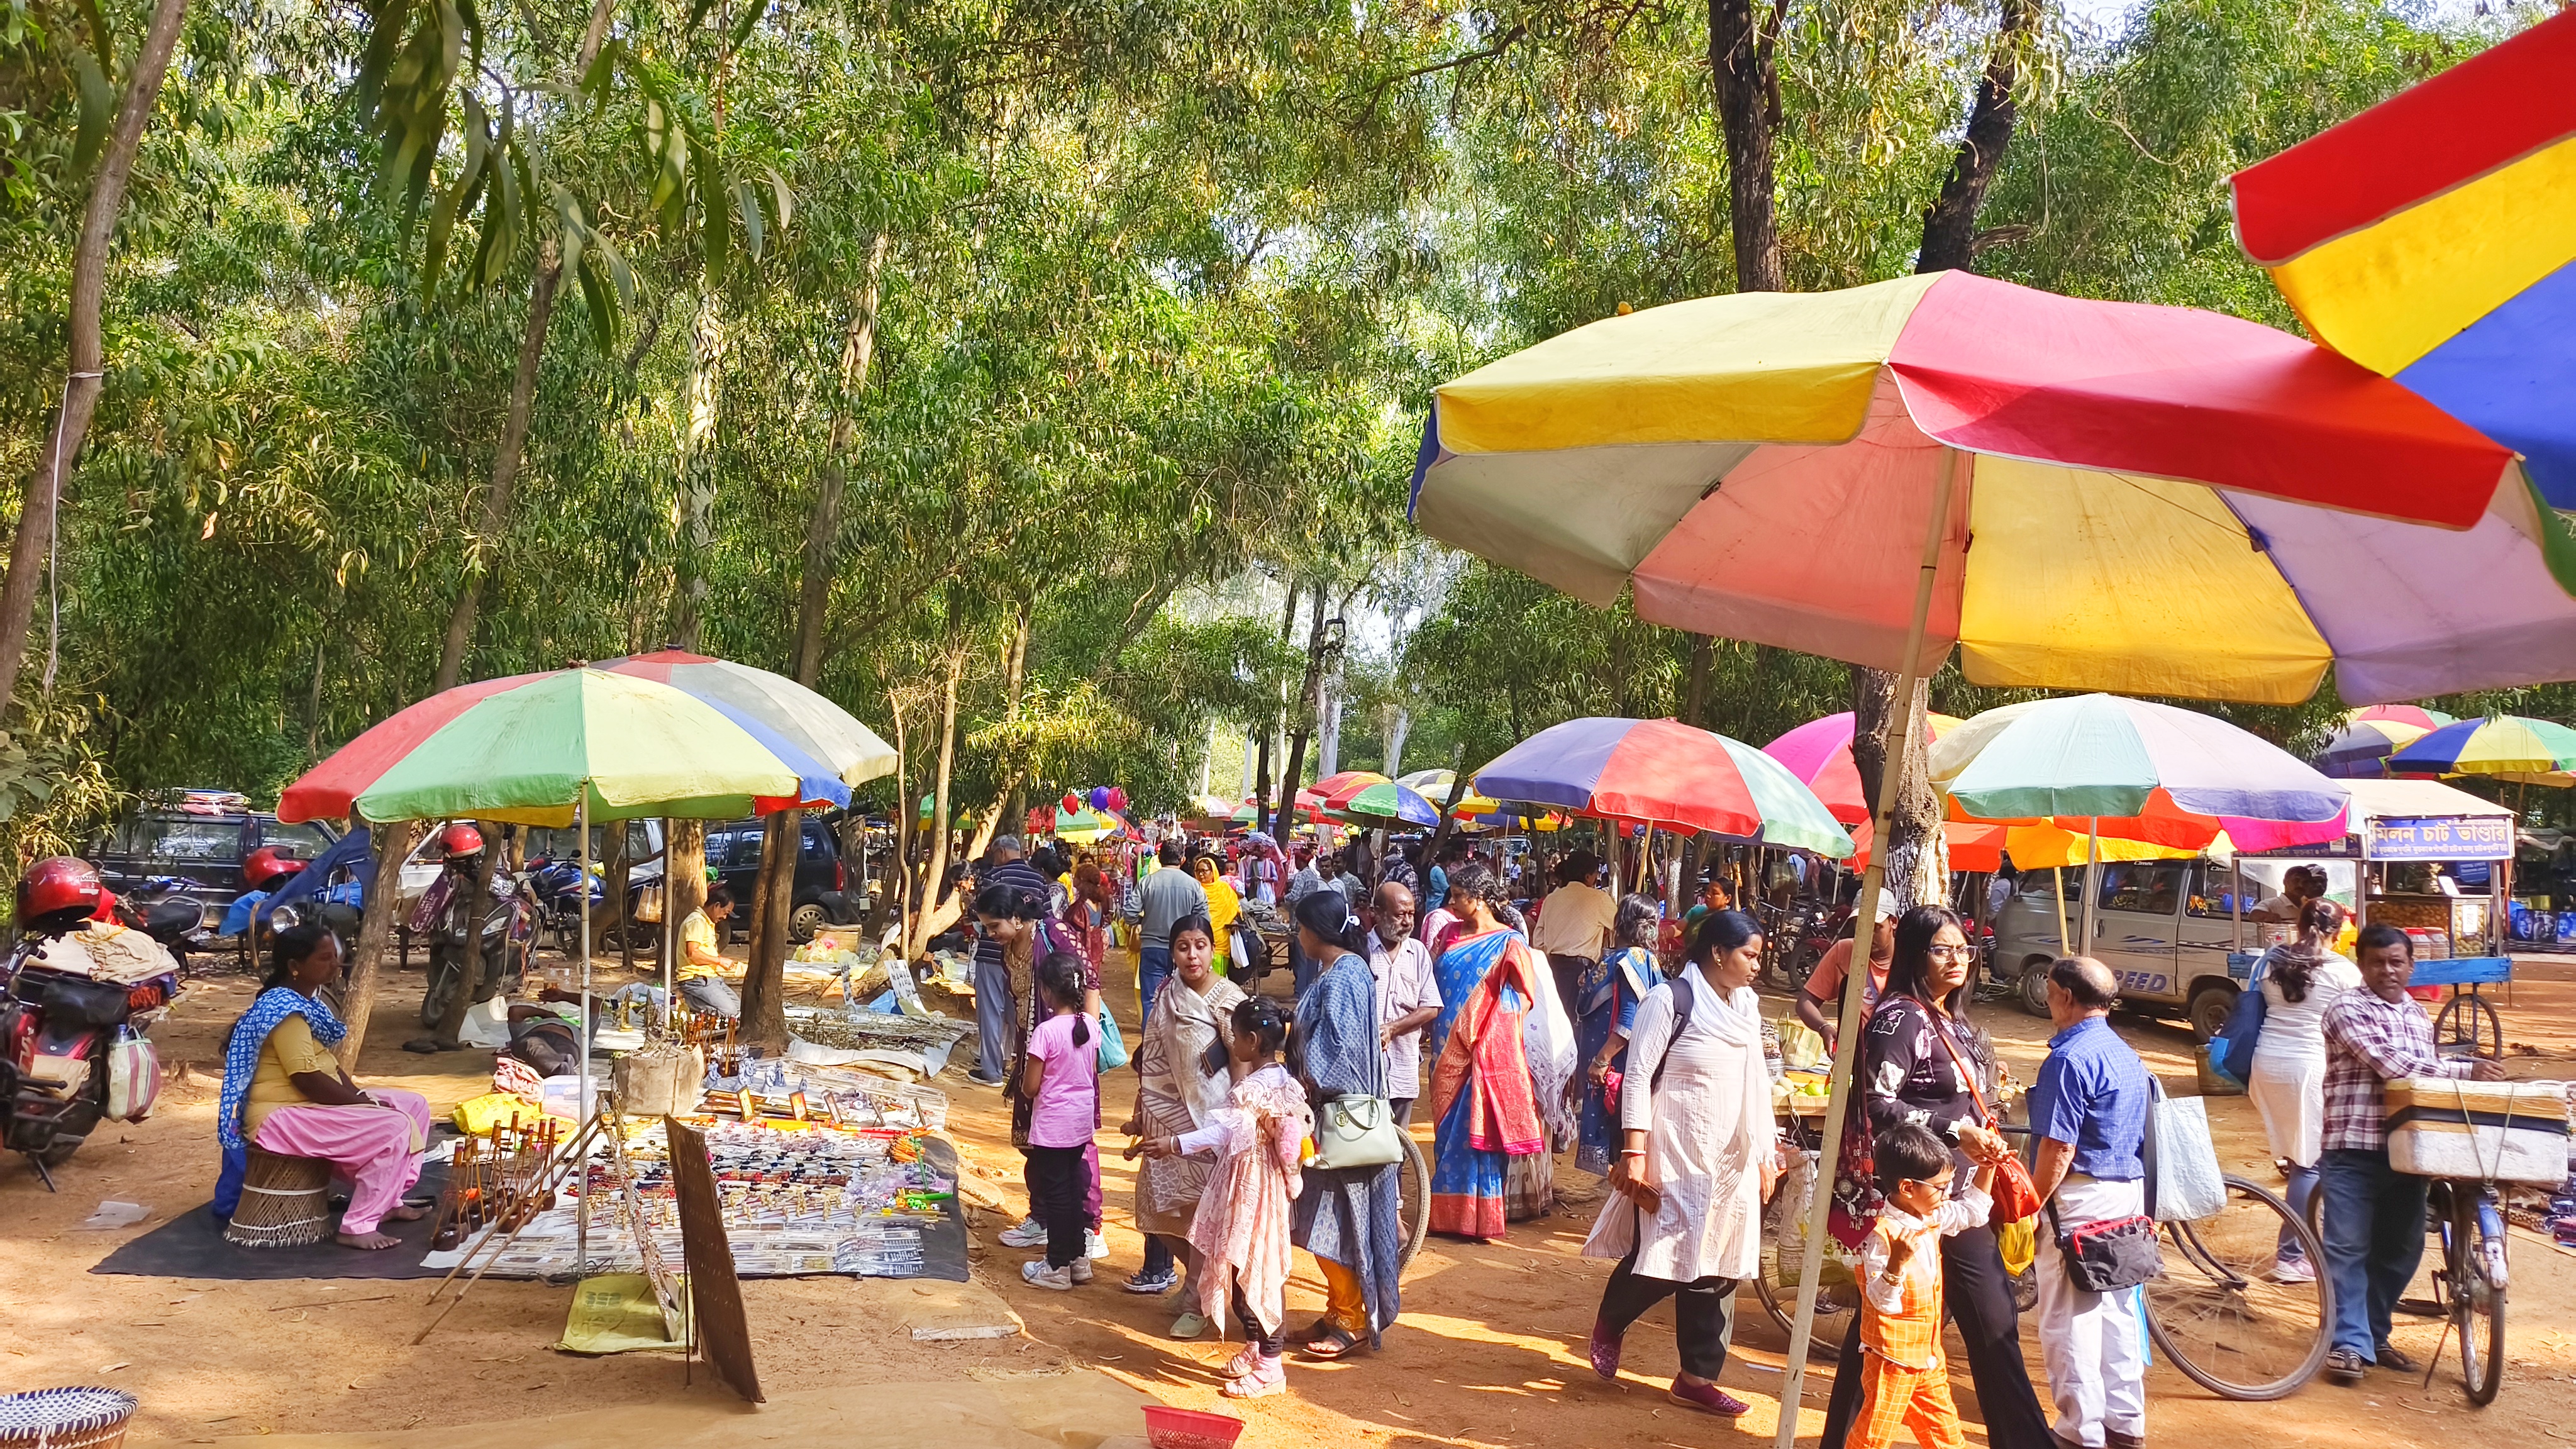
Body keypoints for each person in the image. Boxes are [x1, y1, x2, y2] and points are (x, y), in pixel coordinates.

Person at [1819, 904, 2053, 1449]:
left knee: (1910, 1327)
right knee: (1968, 1323)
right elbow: (1877, 1104)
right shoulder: (1900, 1018)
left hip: (1959, 1191)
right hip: (1911, 1195)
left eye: (1964, 949)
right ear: (1915, 955)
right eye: (1942, 949)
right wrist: (1956, 1130)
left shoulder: (1953, 1020)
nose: (1958, 960)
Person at [1582, 909, 1784, 1417]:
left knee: (1720, 1263)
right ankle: (1612, 1319)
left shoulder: (1747, 1007)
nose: (1758, 966)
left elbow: (1755, 1079)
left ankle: (1696, 1378)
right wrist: (1633, 1152)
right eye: (1750, 955)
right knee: (1670, 1248)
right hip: (1676, 1146)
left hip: (1732, 1157)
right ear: (1718, 952)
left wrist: (1765, 1151)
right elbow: (1636, 1078)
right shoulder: (1669, 1001)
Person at [2318, 923, 2507, 1385]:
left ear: (2411, 966)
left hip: (2409, 1152)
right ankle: (2348, 1345)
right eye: (2377, 962)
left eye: (2396, 962)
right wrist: (2464, 1069)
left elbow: (2425, 1077)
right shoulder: (2346, 1008)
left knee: (2401, 1250)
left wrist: (2466, 1076)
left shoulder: (2416, 1014)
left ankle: (2373, 1334)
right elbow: (2392, 1067)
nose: (2388, 970)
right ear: (2361, 965)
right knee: (2348, 1249)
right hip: (2353, 1148)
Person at [216, 924, 436, 1250]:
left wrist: (360, 1097)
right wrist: (360, 1105)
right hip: (280, 1118)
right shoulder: (285, 1012)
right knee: (394, 1127)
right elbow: (306, 1079)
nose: (336, 965)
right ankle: (357, 1226)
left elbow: (328, 1068)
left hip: (305, 1105)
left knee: (413, 1105)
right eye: (324, 959)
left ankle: (389, 1200)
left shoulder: (305, 1004)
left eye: (335, 957)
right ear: (295, 966)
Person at [1143, 996, 1313, 1401]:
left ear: (1252, 1041)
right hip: (1265, 1188)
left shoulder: (1250, 1091)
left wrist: (1175, 1143)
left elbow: (1223, 1135)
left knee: (1256, 1272)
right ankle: (1256, 1348)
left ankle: (1272, 1366)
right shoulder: (1287, 1083)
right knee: (1250, 1267)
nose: (1231, 1044)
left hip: (1248, 1189)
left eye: (1235, 1037)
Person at [2026, 956, 2153, 1449]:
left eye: (2051, 991)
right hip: (2127, 1195)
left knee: (2070, 1321)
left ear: (2066, 998)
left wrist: (2032, 1203)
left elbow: (2058, 1149)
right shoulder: (2126, 1054)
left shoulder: (2068, 1059)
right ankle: (2126, 1425)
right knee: (2119, 1315)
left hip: (2080, 1200)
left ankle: (2079, 1432)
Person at [1289, 888, 1406, 1358]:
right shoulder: (1345, 971)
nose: (1298, 937)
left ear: (1316, 931)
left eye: (1300, 928)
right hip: (1338, 1115)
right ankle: (1340, 1309)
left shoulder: (1342, 977)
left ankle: (1354, 1317)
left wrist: (1300, 1071)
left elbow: (1337, 1052)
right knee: (1325, 1218)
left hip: (1344, 1120)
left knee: (1335, 1221)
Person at [1120, 913, 1246, 1325]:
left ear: (1213, 950)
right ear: (1172, 952)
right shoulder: (1166, 993)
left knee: (1203, 1215)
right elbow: (1153, 1058)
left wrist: (1236, 1114)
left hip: (1211, 1125)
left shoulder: (1229, 999)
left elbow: (1243, 1059)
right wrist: (1142, 1111)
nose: (1192, 955)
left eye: (1200, 945)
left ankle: (1197, 1300)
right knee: (1163, 1212)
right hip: (1165, 1121)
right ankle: (1194, 1283)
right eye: (1183, 946)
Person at [1424, 860, 1552, 1241]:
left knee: (1480, 1130)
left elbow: (1525, 998)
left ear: (1480, 900)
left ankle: (1480, 1219)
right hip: (1445, 1050)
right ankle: (1448, 1215)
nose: (1452, 902)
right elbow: (1433, 985)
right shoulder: (1447, 933)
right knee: (1447, 1132)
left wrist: (1490, 1030)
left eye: (1459, 896)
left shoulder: (1510, 941)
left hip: (1483, 1050)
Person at [1850, 1122, 1996, 1449]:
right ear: (1907, 1188)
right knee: (1873, 1438)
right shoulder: (1880, 1235)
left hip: (1928, 1356)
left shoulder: (1930, 1216)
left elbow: (1972, 1212)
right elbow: (1880, 1302)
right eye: (1941, 1187)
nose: (1947, 1195)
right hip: (1892, 1360)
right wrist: (1896, 1263)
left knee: (1947, 1437)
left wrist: (1987, 1167)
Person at [2245, 898, 2360, 1284]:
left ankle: (2310, 1243)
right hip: (2309, 1069)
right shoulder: (2343, 971)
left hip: (2266, 1063)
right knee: (2310, 1164)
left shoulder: (2269, 960)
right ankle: (2292, 1255)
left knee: (2303, 1161)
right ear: (2339, 932)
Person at [1018, 953, 1101, 1291]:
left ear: (1048, 991)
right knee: (1073, 1188)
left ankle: (1056, 1265)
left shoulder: (1046, 1032)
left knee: (1056, 1193)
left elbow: (1031, 1086)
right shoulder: (1091, 1027)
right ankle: (1077, 1259)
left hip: (1053, 1124)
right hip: (1079, 1122)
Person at [1576, 894, 1662, 1175]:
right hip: (1628, 1062)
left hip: (1616, 1063)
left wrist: (1602, 1059)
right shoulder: (1647, 959)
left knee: (1617, 1133)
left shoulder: (1630, 960)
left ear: (1620, 921)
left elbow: (1630, 1017)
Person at [970, 838, 1054, 1085]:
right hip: (1025, 955)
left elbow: (979, 912)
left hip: (990, 953)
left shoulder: (994, 876)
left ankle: (993, 1070)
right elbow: (1046, 913)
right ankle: (1021, 1065)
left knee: (990, 1013)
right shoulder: (1038, 879)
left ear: (1002, 852)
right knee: (1019, 1011)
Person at [1367, 882, 1442, 1124]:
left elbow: (1432, 1007)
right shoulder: (1360, 950)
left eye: (1411, 914)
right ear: (1377, 913)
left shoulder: (1418, 952)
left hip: (1403, 1066)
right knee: (1362, 1146)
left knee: (1398, 1147)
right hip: (1365, 1069)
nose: (1408, 922)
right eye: (1400, 915)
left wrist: (1392, 1029)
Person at [1797, 896, 1898, 1054]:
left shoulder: (1910, 960)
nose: (1868, 935)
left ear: (1893, 922)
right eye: (1861, 927)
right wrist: (1824, 1028)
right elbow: (1805, 1002)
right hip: (1854, 1056)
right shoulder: (1843, 951)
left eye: (1876, 927)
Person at [1533, 851, 1615, 1019]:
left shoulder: (1551, 899)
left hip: (1553, 969)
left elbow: (1538, 939)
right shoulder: (1599, 898)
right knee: (1576, 1025)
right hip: (1580, 971)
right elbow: (1620, 925)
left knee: (1554, 1023)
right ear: (1588, 876)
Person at [1136, 840, 1208, 1030]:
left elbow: (1129, 913)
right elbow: (1204, 920)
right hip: (1185, 951)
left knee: (1150, 1002)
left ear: (1159, 859)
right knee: (1184, 999)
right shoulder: (1194, 886)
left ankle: (1150, 1048)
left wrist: (1143, 921)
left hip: (1152, 947)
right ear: (1183, 860)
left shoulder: (1147, 882)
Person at [674, 884, 740, 1019]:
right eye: (725, 912)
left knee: (738, 1009)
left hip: (712, 978)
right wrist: (719, 961)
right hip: (696, 979)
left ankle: (695, 1001)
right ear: (716, 906)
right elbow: (693, 954)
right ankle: (687, 1000)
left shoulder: (707, 922)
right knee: (729, 1013)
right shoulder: (697, 922)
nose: (725, 917)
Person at [1196, 855, 1243, 979]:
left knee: (1217, 982)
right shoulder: (1194, 890)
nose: (1201, 875)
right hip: (1198, 941)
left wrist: (1234, 920)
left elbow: (1236, 909)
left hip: (1221, 941)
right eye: (1198, 871)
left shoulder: (1225, 889)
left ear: (1213, 872)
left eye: (1204, 871)